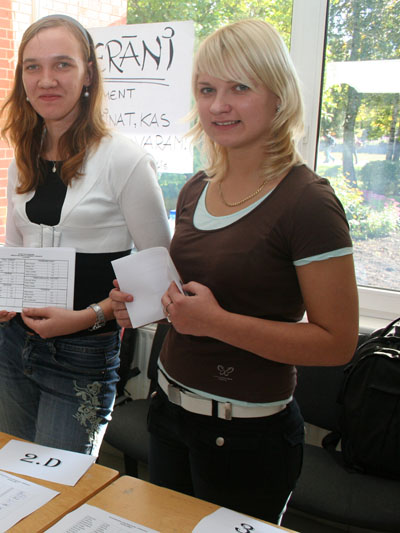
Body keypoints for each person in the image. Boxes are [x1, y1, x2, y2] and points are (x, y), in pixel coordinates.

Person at [110, 20, 358, 524]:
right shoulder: (196, 188)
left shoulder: (308, 202)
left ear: (279, 96)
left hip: (245, 438)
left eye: (240, 87)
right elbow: (191, 299)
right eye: (207, 90)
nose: (219, 105)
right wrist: (144, 303)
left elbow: (337, 343)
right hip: (168, 413)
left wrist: (217, 323)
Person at [0, 14, 171, 456]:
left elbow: (161, 283)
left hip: (82, 356)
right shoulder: (22, 160)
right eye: (32, 67)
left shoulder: (125, 160)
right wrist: (3, 297)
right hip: (13, 347)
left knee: (58, 486)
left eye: (62, 64)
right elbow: (16, 249)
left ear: (88, 73)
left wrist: (87, 317)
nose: (46, 80)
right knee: (16, 474)